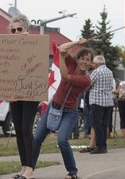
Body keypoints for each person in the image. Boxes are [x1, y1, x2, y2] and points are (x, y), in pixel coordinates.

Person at [33, 39, 93, 179]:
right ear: (77, 59)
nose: (85, 61)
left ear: (91, 63)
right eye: (82, 58)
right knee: (36, 139)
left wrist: (62, 56)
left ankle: (73, 172)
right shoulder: (71, 63)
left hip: (69, 112)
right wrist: (77, 42)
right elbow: (62, 49)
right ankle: (29, 170)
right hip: (53, 107)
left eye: (88, 60)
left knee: (62, 141)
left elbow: (65, 76)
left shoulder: (86, 79)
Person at [8, 14, 40, 179]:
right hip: (15, 92)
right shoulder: (8, 48)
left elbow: (38, 62)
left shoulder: (34, 43)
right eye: (13, 30)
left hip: (31, 91)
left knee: (27, 129)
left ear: (26, 29)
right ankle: (24, 166)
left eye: (19, 29)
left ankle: (31, 169)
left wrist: (29, 41)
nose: (16, 32)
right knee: (19, 130)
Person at [89, 55, 114, 154]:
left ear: (96, 64)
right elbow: (111, 86)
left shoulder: (96, 72)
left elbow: (88, 83)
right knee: (104, 124)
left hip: (97, 101)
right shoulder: (110, 71)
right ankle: (103, 145)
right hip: (108, 101)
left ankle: (99, 146)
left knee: (96, 124)